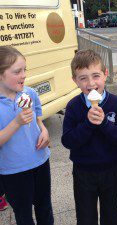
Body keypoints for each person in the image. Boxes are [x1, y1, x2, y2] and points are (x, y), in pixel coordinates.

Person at [61, 49, 117, 225]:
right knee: (85, 216)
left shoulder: (115, 103)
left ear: (105, 75)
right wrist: (88, 124)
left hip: (111, 170)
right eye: (83, 78)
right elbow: (68, 141)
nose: (91, 83)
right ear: (75, 81)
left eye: (96, 76)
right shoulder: (74, 106)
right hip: (84, 171)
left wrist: (105, 123)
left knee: (111, 214)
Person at [0, 46, 53, 224]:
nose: (23, 75)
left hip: (40, 160)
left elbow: (38, 121)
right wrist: (16, 122)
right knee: (23, 213)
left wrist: (44, 131)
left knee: (44, 206)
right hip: (13, 170)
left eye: (24, 70)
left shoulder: (29, 93)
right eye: (17, 71)